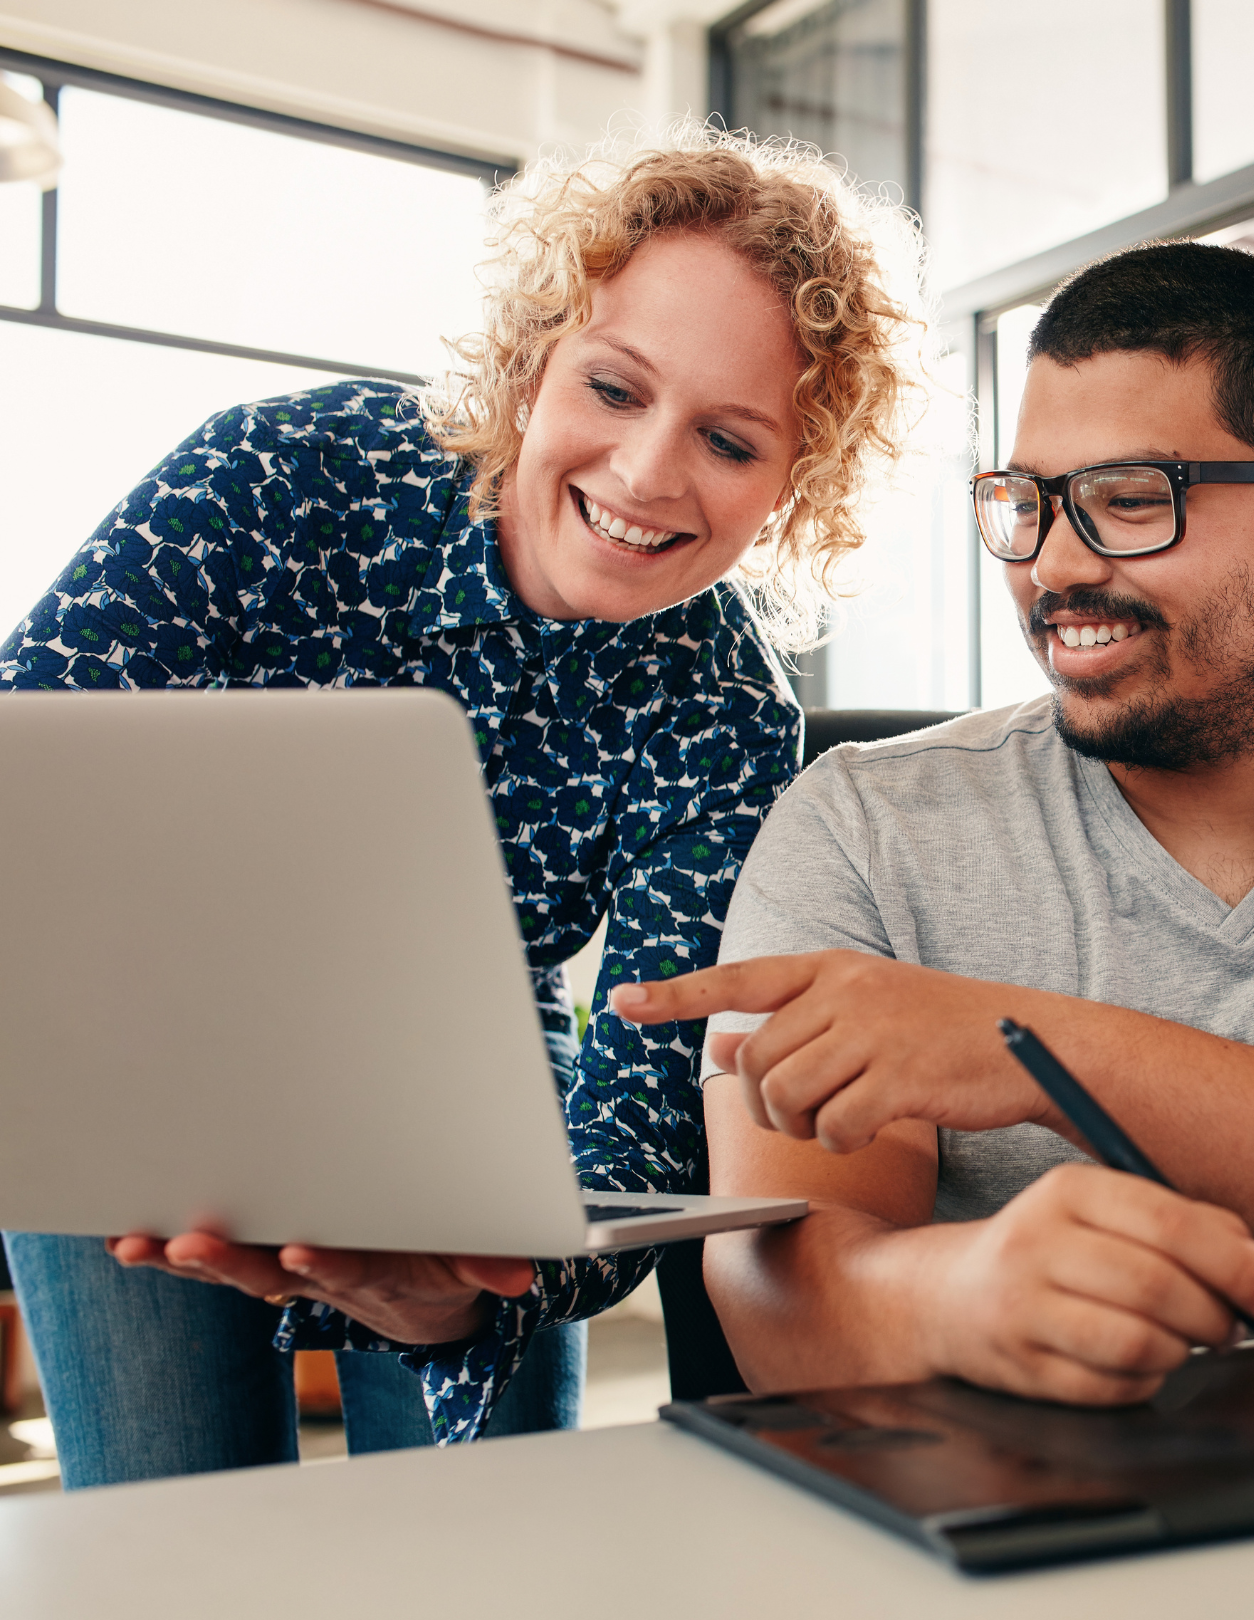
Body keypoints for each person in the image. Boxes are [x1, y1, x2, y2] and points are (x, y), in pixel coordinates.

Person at [0, 126, 926, 1483]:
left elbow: (649, 1105)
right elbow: (33, 776)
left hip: (465, 1082)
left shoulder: (727, 712)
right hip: (152, 1046)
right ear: (533, 358)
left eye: (728, 440)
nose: (647, 472)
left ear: (792, 487)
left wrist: (488, 1279)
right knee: (170, 1527)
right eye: (614, 388)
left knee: (475, 1534)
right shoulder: (275, 477)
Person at [613, 242, 1254, 1406]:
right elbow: (775, 1304)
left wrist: (1031, 1051)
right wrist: (960, 1298)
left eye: (1129, 502)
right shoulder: (858, 823)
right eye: (1028, 504)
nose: (1054, 565)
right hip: (998, 1542)